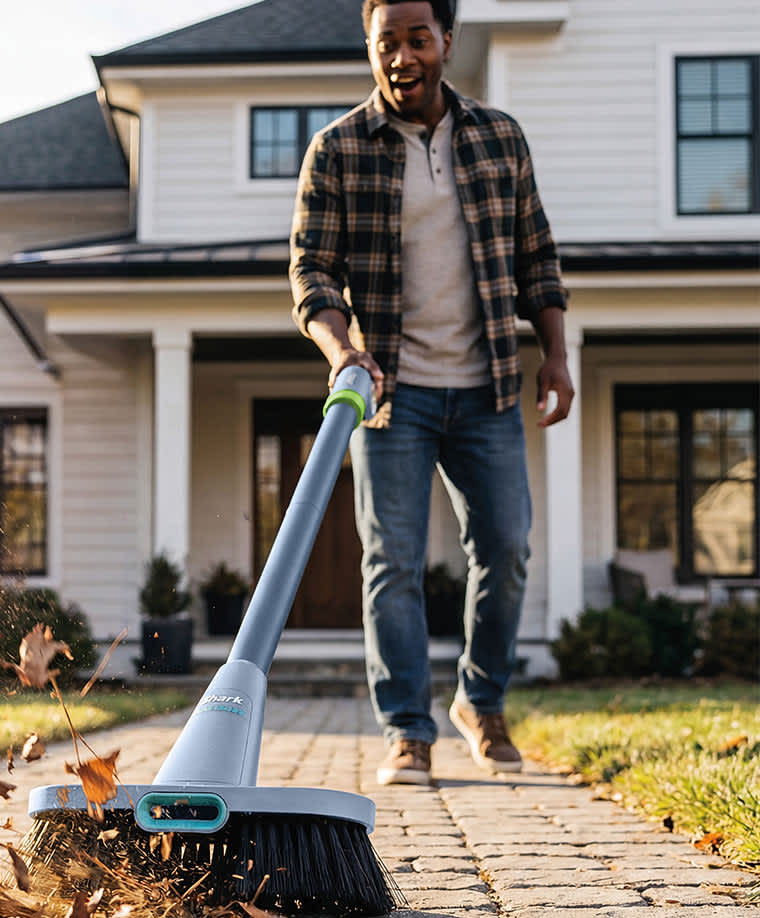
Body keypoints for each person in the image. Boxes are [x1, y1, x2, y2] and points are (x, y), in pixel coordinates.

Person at [289, 0, 574, 785]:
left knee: (507, 549)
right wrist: (344, 348)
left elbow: (536, 258)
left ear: (447, 40)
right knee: (394, 563)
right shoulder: (338, 149)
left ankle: (480, 701)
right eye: (388, 42)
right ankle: (408, 730)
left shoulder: (498, 137)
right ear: (370, 45)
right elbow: (311, 270)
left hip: (485, 384)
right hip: (391, 393)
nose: (403, 56)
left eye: (419, 39)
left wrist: (554, 355)